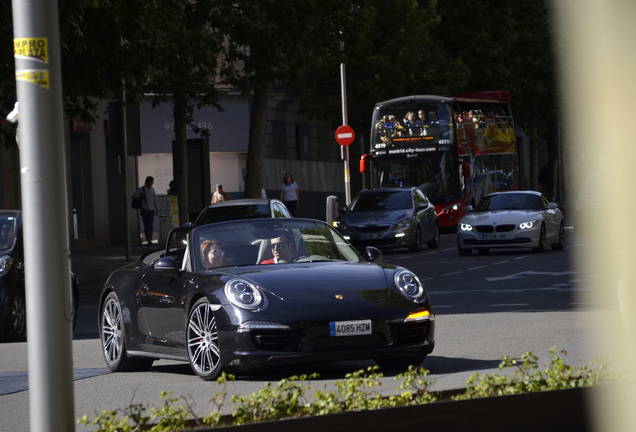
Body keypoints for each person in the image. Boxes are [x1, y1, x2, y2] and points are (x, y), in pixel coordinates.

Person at [134, 176, 159, 245]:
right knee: (146, 224)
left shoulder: (152, 190)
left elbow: (155, 199)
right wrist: (141, 195)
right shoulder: (141, 189)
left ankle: (149, 239)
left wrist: (156, 208)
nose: (152, 183)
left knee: (150, 224)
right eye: (152, 181)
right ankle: (148, 239)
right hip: (144, 209)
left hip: (151, 209)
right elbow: (134, 196)